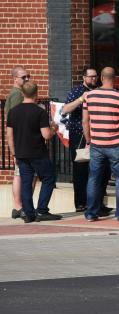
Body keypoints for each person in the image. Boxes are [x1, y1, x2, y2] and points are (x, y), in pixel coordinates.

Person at [5, 81, 61, 223]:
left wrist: (13, 154)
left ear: (22, 93)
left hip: (21, 153)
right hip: (38, 153)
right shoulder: (39, 112)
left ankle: (29, 213)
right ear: (36, 94)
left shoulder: (13, 112)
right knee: (48, 178)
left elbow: (9, 135)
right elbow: (46, 135)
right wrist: (54, 128)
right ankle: (42, 210)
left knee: (26, 182)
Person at [83, 67, 119, 222]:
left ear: (102, 78)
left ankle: (91, 213)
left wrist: (89, 139)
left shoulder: (89, 96)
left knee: (94, 178)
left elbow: (85, 121)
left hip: (96, 143)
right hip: (116, 143)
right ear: (114, 78)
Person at [60, 67, 110, 214]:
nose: (93, 79)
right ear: (84, 78)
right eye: (91, 77)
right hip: (79, 136)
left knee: (101, 170)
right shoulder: (77, 91)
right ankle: (81, 203)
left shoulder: (100, 91)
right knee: (81, 170)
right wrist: (81, 98)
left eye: (95, 76)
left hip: (98, 135)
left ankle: (98, 203)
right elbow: (65, 109)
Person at [5, 66, 29, 219]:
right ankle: (19, 206)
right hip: (20, 140)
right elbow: (14, 119)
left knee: (19, 173)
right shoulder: (16, 95)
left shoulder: (17, 93)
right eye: (23, 77)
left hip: (19, 140)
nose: (27, 79)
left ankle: (19, 206)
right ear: (15, 78)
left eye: (28, 76)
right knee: (19, 174)